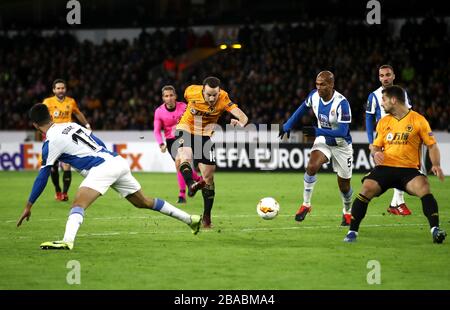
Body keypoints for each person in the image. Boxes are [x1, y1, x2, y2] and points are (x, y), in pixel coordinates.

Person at [16, 103, 201, 250]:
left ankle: (67, 241)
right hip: (116, 161)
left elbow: (42, 176)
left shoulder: (50, 142)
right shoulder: (70, 125)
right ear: (50, 115)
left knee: (78, 204)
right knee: (143, 202)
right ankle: (190, 219)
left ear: (34, 125)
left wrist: (28, 205)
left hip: (101, 168)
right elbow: (97, 141)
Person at [344, 85, 446, 243]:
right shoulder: (384, 122)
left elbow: (431, 145)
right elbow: (376, 146)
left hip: (409, 170)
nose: (382, 104)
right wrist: (375, 153)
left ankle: (435, 229)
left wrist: (436, 164)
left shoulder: (418, 120)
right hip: (386, 167)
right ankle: (352, 232)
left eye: (384, 100)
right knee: (367, 188)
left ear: (393, 100)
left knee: (424, 187)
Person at [279, 71, 353, 226]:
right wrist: (287, 125)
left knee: (344, 186)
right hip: (324, 140)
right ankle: (306, 204)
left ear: (331, 85)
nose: (319, 87)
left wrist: (317, 131)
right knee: (311, 166)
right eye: (317, 84)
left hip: (341, 145)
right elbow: (301, 109)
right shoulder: (314, 96)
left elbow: (342, 132)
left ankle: (347, 212)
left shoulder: (342, 103)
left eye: (323, 84)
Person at [175, 77, 249, 228]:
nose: (212, 98)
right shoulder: (191, 91)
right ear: (203, 90)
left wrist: (239, 123)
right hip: (187, 127)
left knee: (208, 177)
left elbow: (243, 116)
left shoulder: (223, 97)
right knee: (185, 155)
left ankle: (207, 217)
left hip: (206, 135)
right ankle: (191, 184)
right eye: (209, 94)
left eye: (214, 94)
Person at [366, 65, 414, 216]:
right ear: (379, 78)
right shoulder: (374, 96)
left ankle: (396, 203)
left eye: (387, 75)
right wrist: (371, 141)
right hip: (385, 138)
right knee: (398, 167)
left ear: (393, 76)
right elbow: (369, 117)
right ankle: (396, 202)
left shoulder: (402, 93)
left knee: (400, 166)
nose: (385, 78)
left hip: (401, 136)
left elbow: (409, 113)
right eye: (382, 75)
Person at [43, 79, 90, 202]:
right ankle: (57, 190)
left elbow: (78, 113)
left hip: (67, 137)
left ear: (65, 89)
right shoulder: (47, 102)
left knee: (67, 166)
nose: (60, 90)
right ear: (54, 90)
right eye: (58, 88)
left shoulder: (71, 101)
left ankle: (64, 193)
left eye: (62, 88)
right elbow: (42, 118)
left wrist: (87, 125)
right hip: (53, 137)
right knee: (53, 166)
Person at [153, 85, 202, 203]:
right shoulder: (159, 112)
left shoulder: (184, 107)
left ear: (175, 96)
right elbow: (157, 130)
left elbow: (195, 119)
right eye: (166, 96)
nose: (169, 98)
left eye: (171, 95)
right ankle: (200, 181)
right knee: (181, 165)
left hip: (185, 136)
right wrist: (161, 144)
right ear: (163, 98)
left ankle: (182, 195)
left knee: (179, 162)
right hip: (170, 141)